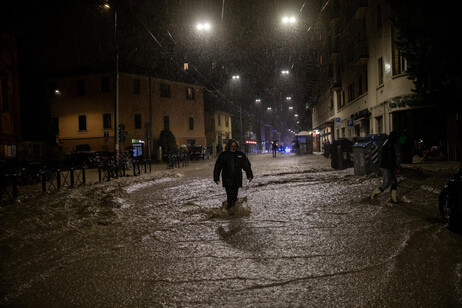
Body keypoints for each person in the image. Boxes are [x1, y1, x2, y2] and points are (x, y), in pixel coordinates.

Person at [213, 139, 253, 210]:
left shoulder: (240, 155)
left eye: (234, 146)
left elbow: (246, 166)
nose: (233, 148)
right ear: (228, 146)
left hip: (237, 178)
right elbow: (218, 167)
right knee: (230, 195)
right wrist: (216, 178)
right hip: (227, 179)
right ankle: (230, 210)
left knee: (234, 195)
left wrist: (249, 175)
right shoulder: (223, 155)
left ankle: (233, 209)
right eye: (231, 146)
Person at [371, 131, 401, 203]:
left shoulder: (388, 143)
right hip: (386, 167)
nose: (398, 140)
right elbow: (390, 158)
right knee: (386, 183)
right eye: (397, 138)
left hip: (388, 167)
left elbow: (391, 158)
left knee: (394, 182)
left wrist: (395, 167)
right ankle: (373, 195)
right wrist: (395, 168)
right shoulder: (389, 145)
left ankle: (394, 199)